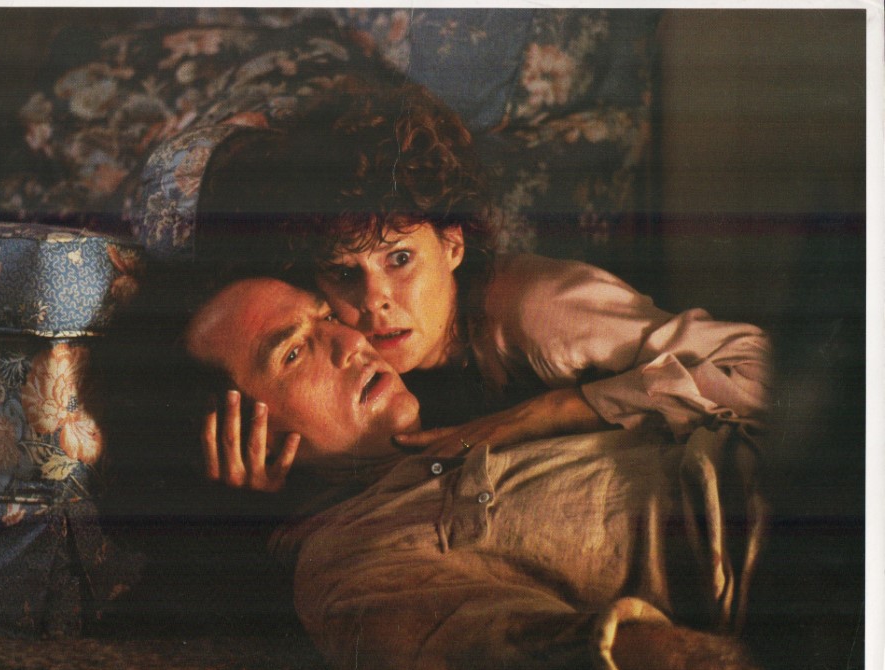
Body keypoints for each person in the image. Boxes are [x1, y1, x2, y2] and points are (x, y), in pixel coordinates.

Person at [193, 79, 772, 492]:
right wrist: (282, 487)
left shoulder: (541, 311)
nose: (374, 302)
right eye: (345, 274)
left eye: (400, 259)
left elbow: (757, 369)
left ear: (452, 245)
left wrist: (554, 410)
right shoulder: (361, 362)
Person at [184, 275, 767, 670]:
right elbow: (597, 659)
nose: (352, 341)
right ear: (237, 439)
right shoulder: (345, 561)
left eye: (327, 316)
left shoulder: (465, 420)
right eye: (293, 353)